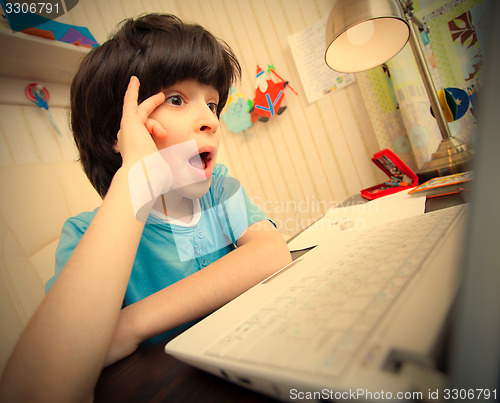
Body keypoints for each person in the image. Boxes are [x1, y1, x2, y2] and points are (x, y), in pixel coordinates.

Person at [0, 13, 291, 402]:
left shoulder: (219, 190)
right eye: (176, 99)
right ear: (118, 133)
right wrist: (137, 173)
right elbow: (43, 387)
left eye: (212, 103)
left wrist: (129, 324)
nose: (210, 120)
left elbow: (272, 251)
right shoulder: (84, 234)